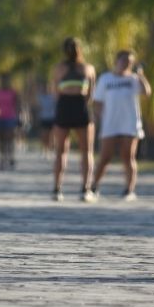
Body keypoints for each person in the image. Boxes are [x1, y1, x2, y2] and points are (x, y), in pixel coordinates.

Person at [91, 50, 152, 200]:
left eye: (130, 62)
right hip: (110, 124)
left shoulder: (134, 79)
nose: (126, 64)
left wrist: (141, 76)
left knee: (128, 156)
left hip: (130, 124)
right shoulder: (106, 79)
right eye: (124, 60)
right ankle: (93, 186)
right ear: (116, 61)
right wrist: (101, 116)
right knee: (105, 157)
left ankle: (129, 190)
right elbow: (97, 102)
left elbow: (147, 92)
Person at [51, 37, 97, 202]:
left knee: (63, 151)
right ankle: (84, 189)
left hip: (65, 106)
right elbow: (91, 95)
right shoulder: (88, 68)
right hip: (79, 106)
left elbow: (55, 92)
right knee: (85, 151)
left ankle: (58, 189)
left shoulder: (58, 69)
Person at [0, 73, 21, 170]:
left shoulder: (13, 92)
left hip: (10, 117)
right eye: (2, 80)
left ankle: (11, 157)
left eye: (6, 80)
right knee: (1, 140)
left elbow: (17, 105)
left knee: (9, 139)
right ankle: (2, 160)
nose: (4, 82)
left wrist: (19, 117)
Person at [37, 88, 57, 156]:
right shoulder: (41, 97)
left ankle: (50, 148)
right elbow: (38, 106)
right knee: (44, 134)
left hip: (52, 118)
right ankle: (45, 149)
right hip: (44, 118)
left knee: (52, 135)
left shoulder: (53, 97)